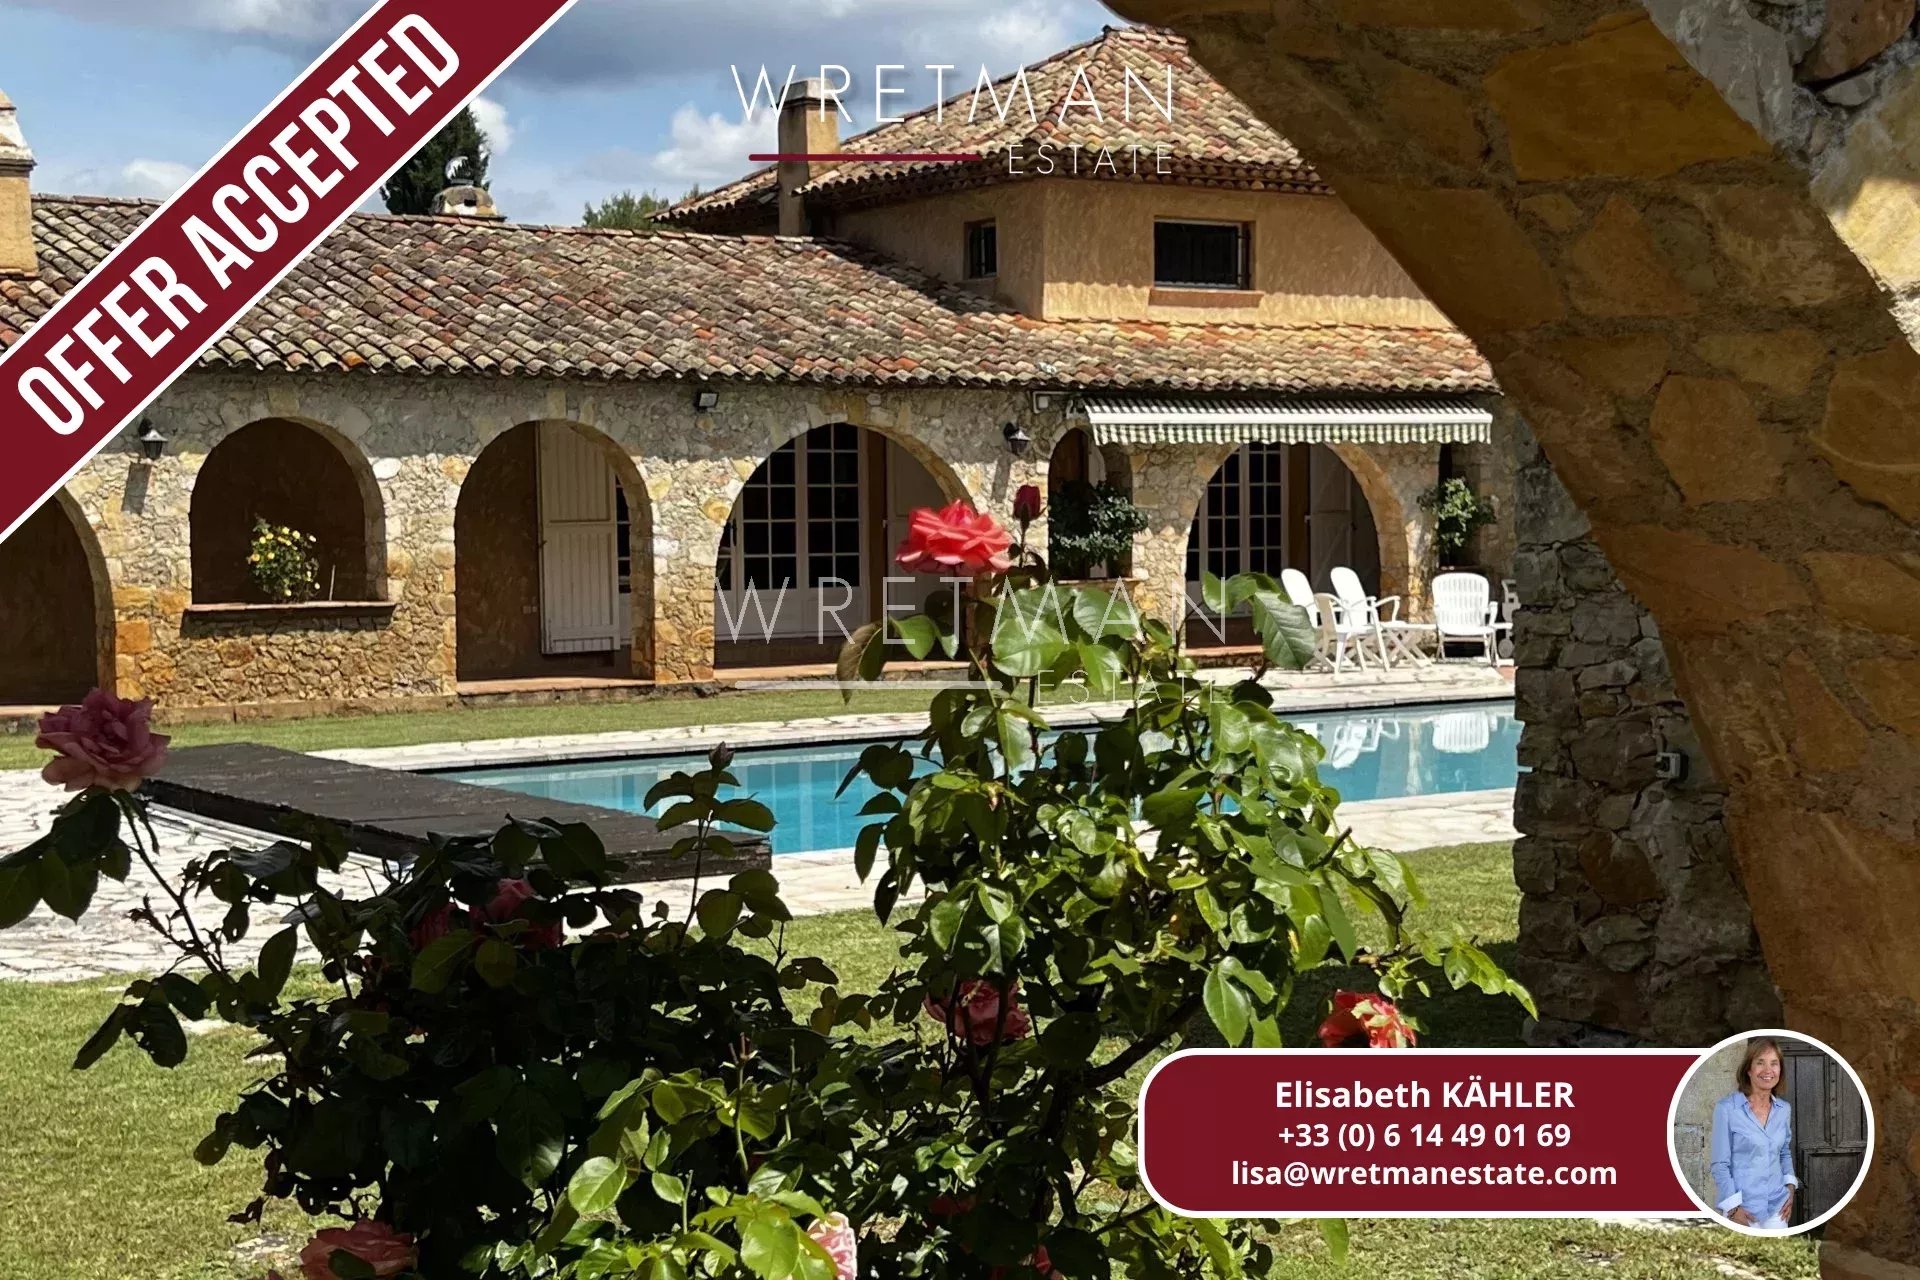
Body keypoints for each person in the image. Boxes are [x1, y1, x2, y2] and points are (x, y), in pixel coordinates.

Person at [1709, 1038, 1798, 1229]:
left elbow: (1784, 1152)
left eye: (1774, 1063)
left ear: (1780, 1070)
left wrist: (1790, 1188)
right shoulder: (1727, 1109)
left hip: (1777, 1208)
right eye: (1760, 1063)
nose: (1768, 1070)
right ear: (1748, 1070)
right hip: (1742, 1210)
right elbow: (1720, 1164)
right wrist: (1733, 1208)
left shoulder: (1784, 1109)